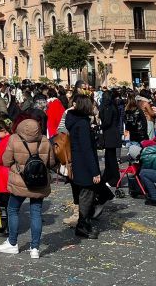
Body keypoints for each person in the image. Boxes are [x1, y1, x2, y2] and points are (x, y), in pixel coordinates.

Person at [0, 115, 54, 258]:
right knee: (36, 213)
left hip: (19, 181)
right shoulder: (45, 140)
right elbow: (51, 163)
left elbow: (6, 161)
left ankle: (12, 243)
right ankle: (35, 249)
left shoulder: (14, 139)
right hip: (39, 182)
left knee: (13, 210)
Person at [65, 94, 102, 239]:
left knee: (82, 194)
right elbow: (86, 149)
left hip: (76, 162)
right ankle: (83, 225)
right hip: (84, 164)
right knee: (87, 195)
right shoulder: (82, 123)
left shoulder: (73, 119)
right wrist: (95, 171)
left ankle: (84, 223)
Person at [98, 89, 122, 186]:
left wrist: (99, 126)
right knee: (108, 157)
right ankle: (107, 176)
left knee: (111, 159)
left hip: (111, 135)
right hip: (111, 134)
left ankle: (115, 179)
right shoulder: (112, 106)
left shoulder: (109, 107)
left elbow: (107, 122)